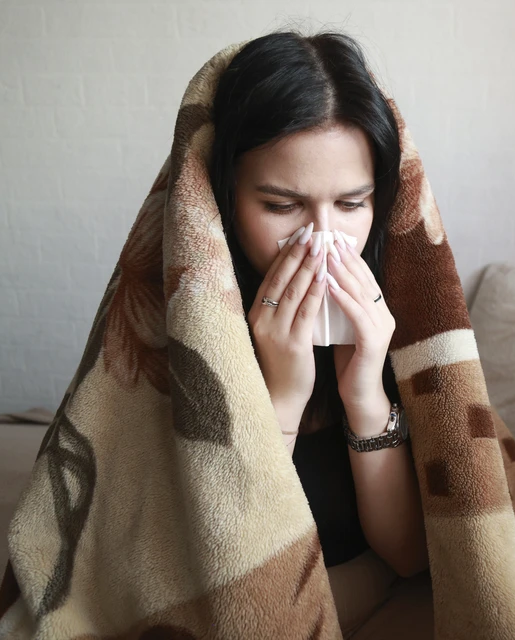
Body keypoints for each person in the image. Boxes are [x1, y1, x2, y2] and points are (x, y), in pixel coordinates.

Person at [209, 30, 429, 578]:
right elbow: (221, 568)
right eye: (281, 206)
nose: (322, 241)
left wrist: (365, 396)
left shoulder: (404, 313)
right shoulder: (192, 322)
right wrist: (282, 400)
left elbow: (408, 557)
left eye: (351, 204)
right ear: (225, 198)